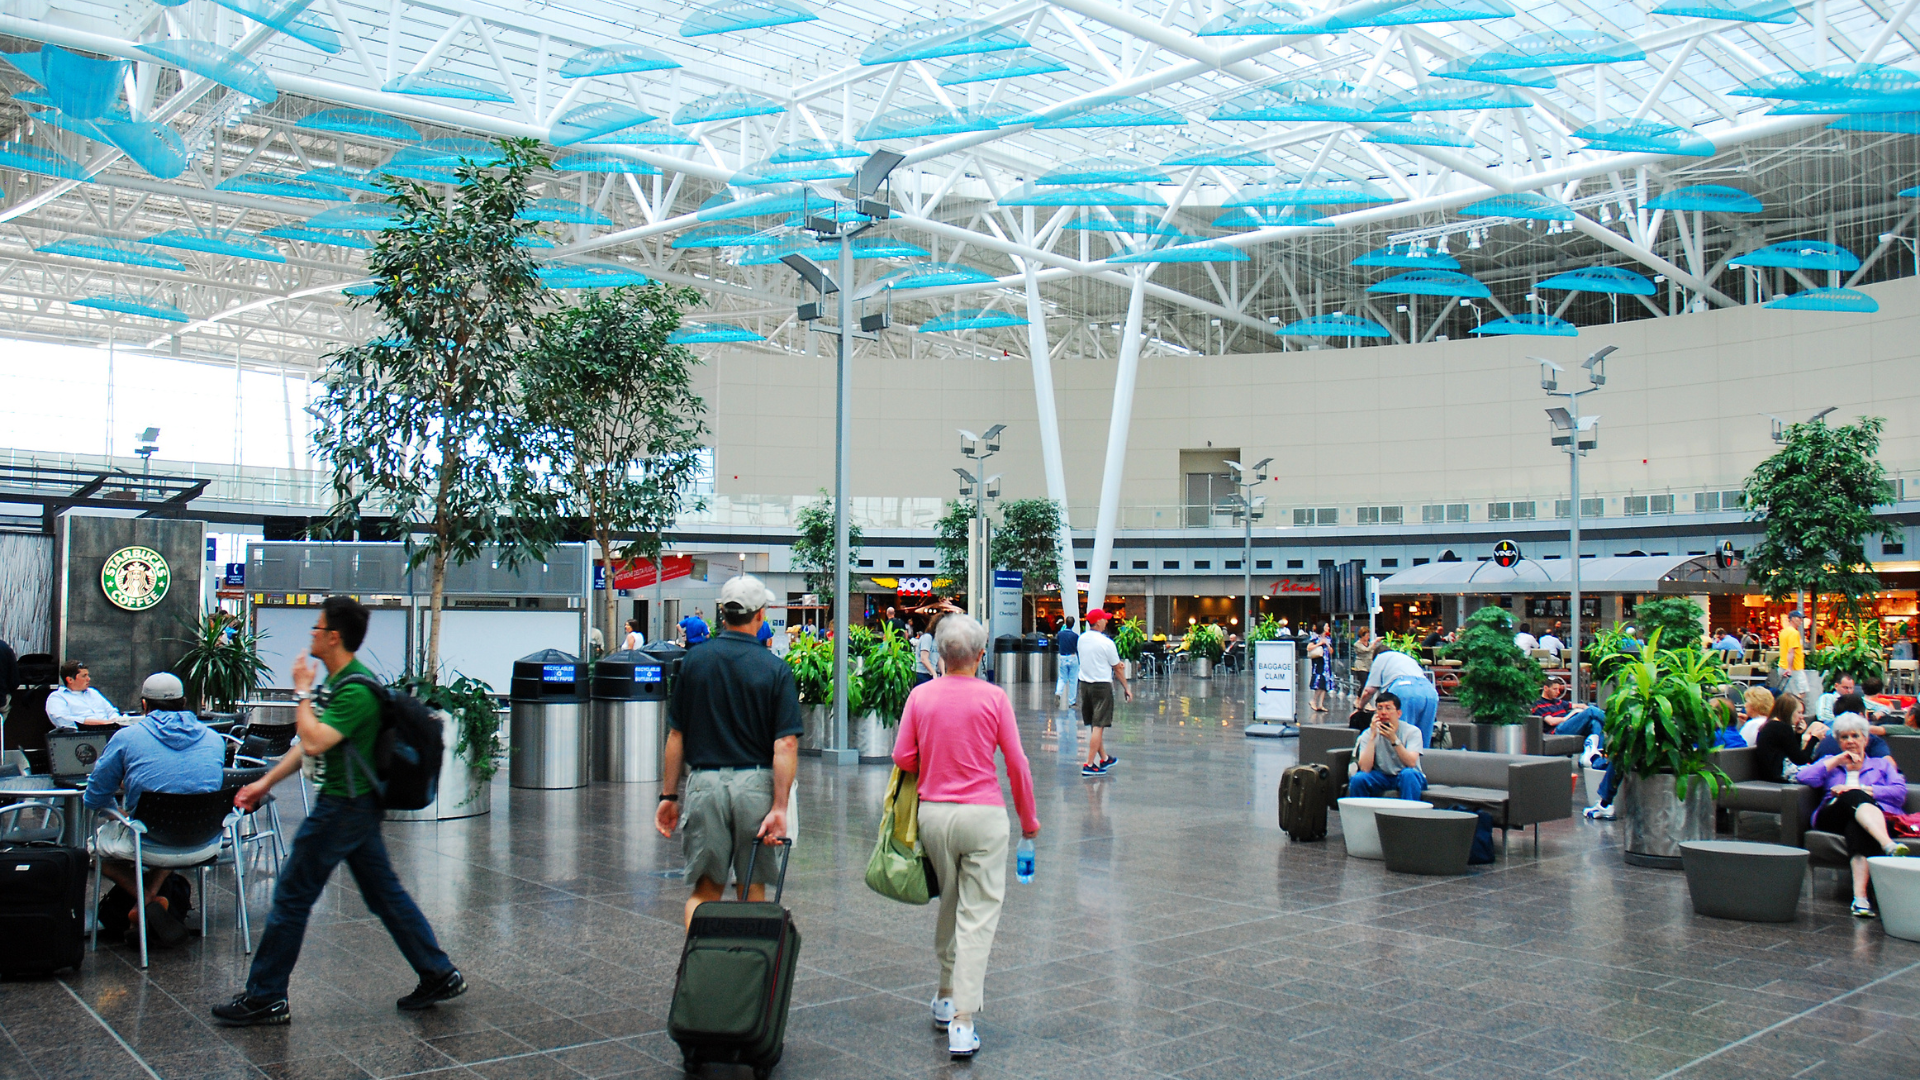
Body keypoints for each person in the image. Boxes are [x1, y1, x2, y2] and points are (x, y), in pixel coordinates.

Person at [215, 596, 465, 1026]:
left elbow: (313, 740)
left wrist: (301, 691)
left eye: (316, 628)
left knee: (292, 896)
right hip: (356, 807)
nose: (311, 634)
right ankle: (438, 972)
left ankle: (266, 995)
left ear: (333, 637)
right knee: (386, 895)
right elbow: (312, 741)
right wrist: (264, 781)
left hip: (342, 808)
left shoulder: (354, 691)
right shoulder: (346, 681)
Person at [891, 613, 1038, 1062]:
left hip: (935, 816)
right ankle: (963, 1022)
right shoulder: (994, 699)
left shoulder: (921, 696)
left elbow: (903, 756)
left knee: (951, 903)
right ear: (979, 655)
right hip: (984, 818)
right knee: (978, 917)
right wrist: (1029, 825)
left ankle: (944, 994)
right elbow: (1016, 764)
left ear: (939, 654)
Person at [655, 575, 800, 928]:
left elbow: (676, 734)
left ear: (723, 614)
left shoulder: (694, 662)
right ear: (760, 616)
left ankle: (700, 971)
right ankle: (745, 975)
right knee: (751, 887)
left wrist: (669, 795)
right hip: (755, 786)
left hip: (705, 785)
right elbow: (786, 743)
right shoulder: (775, 669)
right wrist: (780, 807)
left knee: (704, 892)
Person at [84, 672, 225, 950]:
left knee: (94, 850)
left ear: (144, 705)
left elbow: (95, 796)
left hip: (150, 841)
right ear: (184, 702)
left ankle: (146, 901)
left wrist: (118, 812)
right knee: (174, 829)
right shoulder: (214, 738)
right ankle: (154, 905)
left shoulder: (127, 736)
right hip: (204, 841)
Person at [1793, 714, 1911, 917]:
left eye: (1855, 736)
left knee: (1856, 824)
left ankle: (1860, 899)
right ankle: (1887, 844)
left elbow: (1900, 792)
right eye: (1844, 737)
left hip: (1875, 818)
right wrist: (1837, 760)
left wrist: (1865, 790)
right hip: (1832, 815)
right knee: (1853, 796)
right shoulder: (1831, 762)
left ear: (1865, 739)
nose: (1850, 741)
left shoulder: (1881, 765)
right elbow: (1803, 776)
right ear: (1838, 741)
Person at [1076, 608, 1131, 777]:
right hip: (1101, 687)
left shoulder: (1081, 639)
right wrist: (1127, 688)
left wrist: (1115, 664)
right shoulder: (1107, 643)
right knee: (1099, 725)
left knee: (1094, 723)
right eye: (1105, 619)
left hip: (1085, 685)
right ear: (1098, 622)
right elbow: (1117, 668)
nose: (1107, 621)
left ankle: (1104, 758)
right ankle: (1089, 764)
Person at [1347, 692, 1427, 801]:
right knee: (1359, 779)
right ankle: (1360, 816)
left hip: (1408, 776)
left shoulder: (1412, 731)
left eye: (1388, 708)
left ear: (1398, 713)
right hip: (1382, 777)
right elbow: (1365, 769)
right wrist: (1372, 737)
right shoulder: (1368, 733)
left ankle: (1408, 816)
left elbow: (1411, 763)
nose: (1383, 713)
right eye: (1380, 708)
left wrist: (1394, 739)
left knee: (1409, 774)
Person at [1354, 646, 1437, 748]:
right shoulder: (1407, 658)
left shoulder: (1380, 658)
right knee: (1423, 739)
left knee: (1401, 735)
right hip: (1430, 691)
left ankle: (1398, 762)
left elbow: (1368, 691)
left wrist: (1360, 708)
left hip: (1404, 690)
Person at [1753, 692, 1826, 782]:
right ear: (1789, 711)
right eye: (1799, 712)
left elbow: (1793, 753)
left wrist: (1798, 734)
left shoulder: (1770, 725)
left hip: (1769, 774)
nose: (1801, 717)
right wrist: (1814, 738)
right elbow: (1801, 760)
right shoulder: (1782, 728)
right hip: (1779, 776)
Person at [1813, 694, 1893, 759]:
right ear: (1861, 716)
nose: (1850, 741)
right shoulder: (1872, 741)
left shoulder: (1824, 742)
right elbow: (1889, 768)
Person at [46, 660, 118, 728]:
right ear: (70, 680)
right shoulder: (57, 697)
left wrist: (115, 721)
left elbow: (111, 711)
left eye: (88, 675)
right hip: (81, 735)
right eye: (84, 676)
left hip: (110, 730)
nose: (88, 679)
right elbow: (62, 719)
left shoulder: (93, 692)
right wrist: (100, 723)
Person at [1816, 674, 1891, 726]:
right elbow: (1823, 716)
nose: (1849, 691)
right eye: (1845, 688)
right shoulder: (1828, 697)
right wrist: (1848, 721)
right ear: (1836, 686)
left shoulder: (1855, 700)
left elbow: (1885, 708)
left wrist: (1877, 714)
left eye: (1851, 688)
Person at [1777, 610, 1808, 697]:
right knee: (1800, 693)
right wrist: (1789, 668)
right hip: (1794, 668)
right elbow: (1791, 652)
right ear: (1792, 619)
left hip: (1783, 666)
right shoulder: (1794, 633)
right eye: (1799, 618)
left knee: (1788, 694)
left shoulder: (1783, 632)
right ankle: (1794, 709)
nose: (1801, 620)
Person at [1053, 616, 1079, 706]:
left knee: (1062, 678)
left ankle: (1058, 693)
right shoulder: (1075, 636)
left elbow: (1058, 643)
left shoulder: (1060, 634)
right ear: (1073, 624)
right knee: (1073, 680)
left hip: (1063, 656)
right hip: (1072, 656)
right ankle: (1072, 701)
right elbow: (1077, 648)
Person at [1307, 623, 1332, 713]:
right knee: (1319, 682)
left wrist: (1328, 645)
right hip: (1319, 663)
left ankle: (1320, 704)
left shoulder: (1328, 639)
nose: (1328, 628)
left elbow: (1331, 652)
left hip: (1327, 663)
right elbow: (1309, 648)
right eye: (1326, 626)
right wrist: (1320, 643)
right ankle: (1313, 700)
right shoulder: (1315, 638)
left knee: (1325, 683)